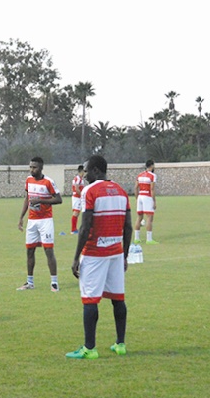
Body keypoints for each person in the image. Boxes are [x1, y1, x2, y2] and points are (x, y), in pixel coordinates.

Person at [66, 154, 132, 359]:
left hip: (95, 253)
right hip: (116, 253)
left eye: (86, 171)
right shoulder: (121, 191)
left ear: (96, 170)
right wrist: (125, 256)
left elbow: (85, 227)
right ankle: (120, 344)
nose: (84, 176)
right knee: (118, 298)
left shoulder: (90, 191)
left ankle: (89, 348)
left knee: (90, 299)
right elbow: (128, 227)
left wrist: (76, 257)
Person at [17, 156, 63, 292]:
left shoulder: (48, 182)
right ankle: (29, 282)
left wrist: (41, 200)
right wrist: (21, 217)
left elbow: (59, 199)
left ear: (41, 168)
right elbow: (27, 198)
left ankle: (54, 283)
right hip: (32, 221)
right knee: (30, 250)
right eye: (30, 167)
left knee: (48, 250)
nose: (32, 170)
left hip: (45, 221)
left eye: (34, 167)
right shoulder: (28, 180)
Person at [134, 160, 157, 244]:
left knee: (139, 217)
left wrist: (137, 198)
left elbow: (136, 187)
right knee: (149, 218)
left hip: (140, 196)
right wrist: (154, 201)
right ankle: (149, 239)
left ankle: (136, 238)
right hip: (147, 196)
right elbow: (152, 189)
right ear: (152, 166)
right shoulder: (152, 176)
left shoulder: (139, 175)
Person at [70, 164, 86, 234]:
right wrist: (82, 196)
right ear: (81, 171)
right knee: (76, 213)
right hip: (77, 198)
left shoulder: (78, 178)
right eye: (84, 171)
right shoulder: (78, 178)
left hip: (76, 197)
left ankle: (74, 229)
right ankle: (73, 230)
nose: (84, 173)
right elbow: (77, 189)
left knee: (77, 212)